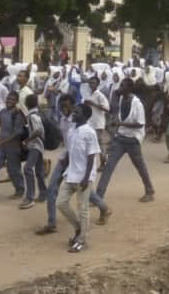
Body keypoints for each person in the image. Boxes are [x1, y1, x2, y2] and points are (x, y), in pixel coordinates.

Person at [95, 78, 155, 200]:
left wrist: (120, 124)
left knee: (140, 166)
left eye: (122, 86)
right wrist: (117, 123)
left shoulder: (137, 104)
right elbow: (114, 112)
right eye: (120, 86)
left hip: (133, 139)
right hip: (120, 138)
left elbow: (140, 124)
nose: (119, 88)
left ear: (129, 89)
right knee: (108, 167)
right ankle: (99, 195)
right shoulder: (121, 99)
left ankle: (149, 190)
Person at [57, 104, 101, 253]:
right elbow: (70, 152)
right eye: (74, 111)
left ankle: (82, 240)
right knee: (61, 203)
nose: (73, 114)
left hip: (83, 176)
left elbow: (91, 156)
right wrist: (64, 165)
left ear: (85, 116)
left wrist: (86, 178)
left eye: (77, 112)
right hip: (70, 174)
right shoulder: (71, 130)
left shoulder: (89, 132)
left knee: (83, 209)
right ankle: (78, 228)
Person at [21, 94, 47, 209]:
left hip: (35, 145)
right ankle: (43, 194)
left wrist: (27, 141)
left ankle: (30, 197)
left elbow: (37, 131)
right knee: (39, 171)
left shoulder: (32, 116)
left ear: (26, 104)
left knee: (27, 168)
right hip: (39, 145)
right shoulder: (37, 113)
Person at [82, 76, 110, 169]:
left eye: (93, 83)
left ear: (98, 84)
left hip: (98, 123)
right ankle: (91, 163)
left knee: (98, 143)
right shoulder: (89, 94)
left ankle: (103, 162)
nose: (91, 85)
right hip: (90, 122)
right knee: (90, 143)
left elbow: (107, 109)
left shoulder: (100, 95)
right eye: (90, 83)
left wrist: (94, 104)